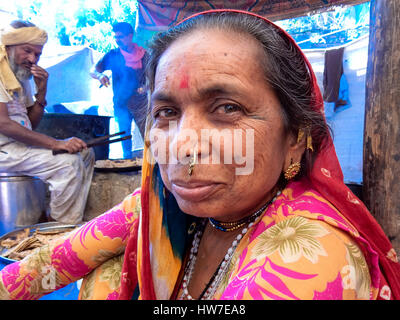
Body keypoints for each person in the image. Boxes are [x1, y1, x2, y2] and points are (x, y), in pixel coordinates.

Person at [1, 10, 399, 300]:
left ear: (295, 137)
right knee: (111, 267)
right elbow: (40, 268)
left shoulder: (310, 253)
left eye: (227, 108)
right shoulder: (157, 206)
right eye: (167, 113)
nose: (183, 144)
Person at [0, 20, 95, 225]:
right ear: (8, 45)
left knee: (85, 153)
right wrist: (55, 143)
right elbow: (4, 124)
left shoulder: (20, 76)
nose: (32, 59)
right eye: (27, 51)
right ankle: (56, 235)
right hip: (3, 152)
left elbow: (29, 125)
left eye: (37, 54)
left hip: (17, 149)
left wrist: (41, 91)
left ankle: (67, 221)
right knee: (68, 164)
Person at [90, 22, 148, 159]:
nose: (117, 40)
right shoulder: (112, 55)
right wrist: (100, 75)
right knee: (124, 137)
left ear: (130, 36)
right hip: (121, 104)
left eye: (120, 37)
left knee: (148, 136)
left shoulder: (144, 55)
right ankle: (127, 164)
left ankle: (151, 167)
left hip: (141, 104)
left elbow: (153, 76)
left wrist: (147, 86)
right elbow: (93, 70)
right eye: (115, 37)